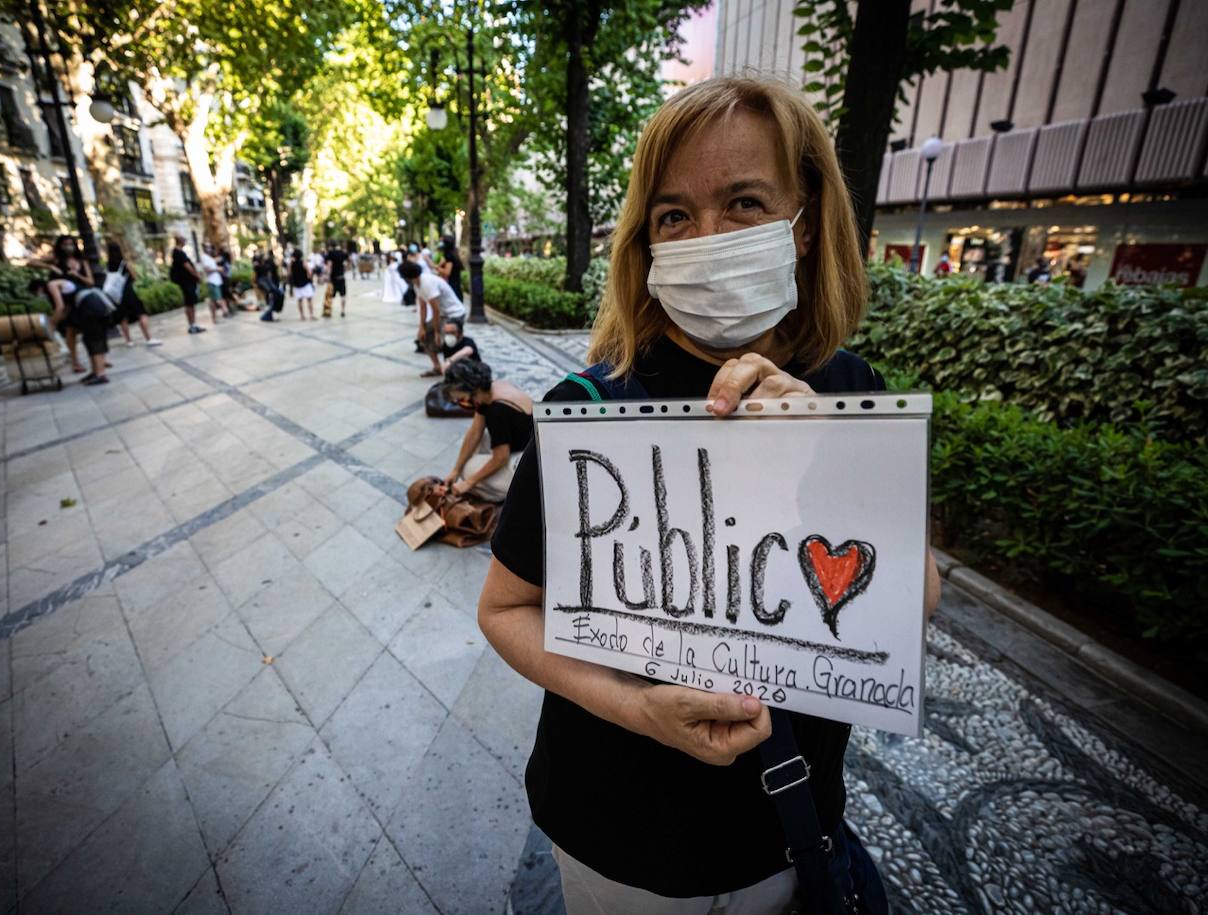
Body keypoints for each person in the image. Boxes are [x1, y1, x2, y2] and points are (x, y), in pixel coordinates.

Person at [478, 76, 942, 912]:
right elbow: (505, 610)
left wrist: (828, 464)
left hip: (784, 833)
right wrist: (638, 706)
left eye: (744, 202)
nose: (709, 235)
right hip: (611, 838)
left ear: (802, 224)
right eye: (675, 215)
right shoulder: (590, 409)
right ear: (647, 243)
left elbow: (913, 601)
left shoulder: (852, 393)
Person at [440, 359, 532, 503]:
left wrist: (469, 482)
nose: (461, 403)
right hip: (525, 441)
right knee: (478, 443)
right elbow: (475, 432)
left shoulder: (497, 410)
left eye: (462, 399)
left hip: (527, 463)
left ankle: (504, 494)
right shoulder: (490, 390)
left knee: (469, 470)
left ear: (472, 392)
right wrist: (455, 470)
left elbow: (501, 457)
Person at [29, 275, 114, 384]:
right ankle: (95, 372)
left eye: (36, 293)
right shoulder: (63, 287)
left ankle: (101, 374)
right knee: (90, 339)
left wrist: (50, 325)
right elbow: (65, 311)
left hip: (90, 307)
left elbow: (60, 307)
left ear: (39, 288)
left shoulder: (51, 285)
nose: (39, 295)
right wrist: (54, 321)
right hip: (94, 305)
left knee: (94, 339)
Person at [398, 258, 466, 377]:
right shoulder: (417, 285)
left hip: (455, 314)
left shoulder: (427, 283)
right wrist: (422, 327)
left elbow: (436, 310)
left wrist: (436, 332)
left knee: (448, 341)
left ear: (408, 277)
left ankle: (455, 371)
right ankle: (437, 367)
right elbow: (423, 307)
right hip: (443, 315)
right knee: (423, 338)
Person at [105, 241, 161, 348]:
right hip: (129, 293)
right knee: (142, 314)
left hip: (118, 296)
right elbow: (134, 277)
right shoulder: (124, 263)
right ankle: (148, 338)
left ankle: (129, 341)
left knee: (123, 319)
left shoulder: (109, 265)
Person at [170, 235, 208, 334]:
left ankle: (193, 324)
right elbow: (187, 266)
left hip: (187, 282)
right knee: (189, 303)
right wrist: (197, 276)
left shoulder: (178, 252)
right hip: (186, 282)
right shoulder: (178, 253)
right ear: (181, 241)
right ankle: (192, 325)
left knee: (190, 303)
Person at [199, 244, 227, 320]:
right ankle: (225, 311)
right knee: (218, 299)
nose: (210, 249)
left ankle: (214, 317)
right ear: (204, 248)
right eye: (208, 247)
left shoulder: (209, 257)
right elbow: (207, 269)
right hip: (212, 282)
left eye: (210, 247)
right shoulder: (204, 257)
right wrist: (218, 269)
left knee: (213, 300)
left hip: (216, 281)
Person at [287, 250, 316, 320]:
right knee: (309, 300)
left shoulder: (291, 264)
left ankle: (302, 316)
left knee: (299, 300)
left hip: (297, 285)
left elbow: (289, 274)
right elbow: (309, 273)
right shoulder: (303, 263)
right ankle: (311, 315)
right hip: (305, 283)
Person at [323, 240, 348, 318]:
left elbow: (329, 265)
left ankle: (329, 311)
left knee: (330, 295)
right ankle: (342, 311)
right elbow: (346, 262)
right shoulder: (341, 253)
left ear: (330, 246)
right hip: (341, 277)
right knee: (343, 295)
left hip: (333, 278)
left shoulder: (330, 253)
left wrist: (327, 275)